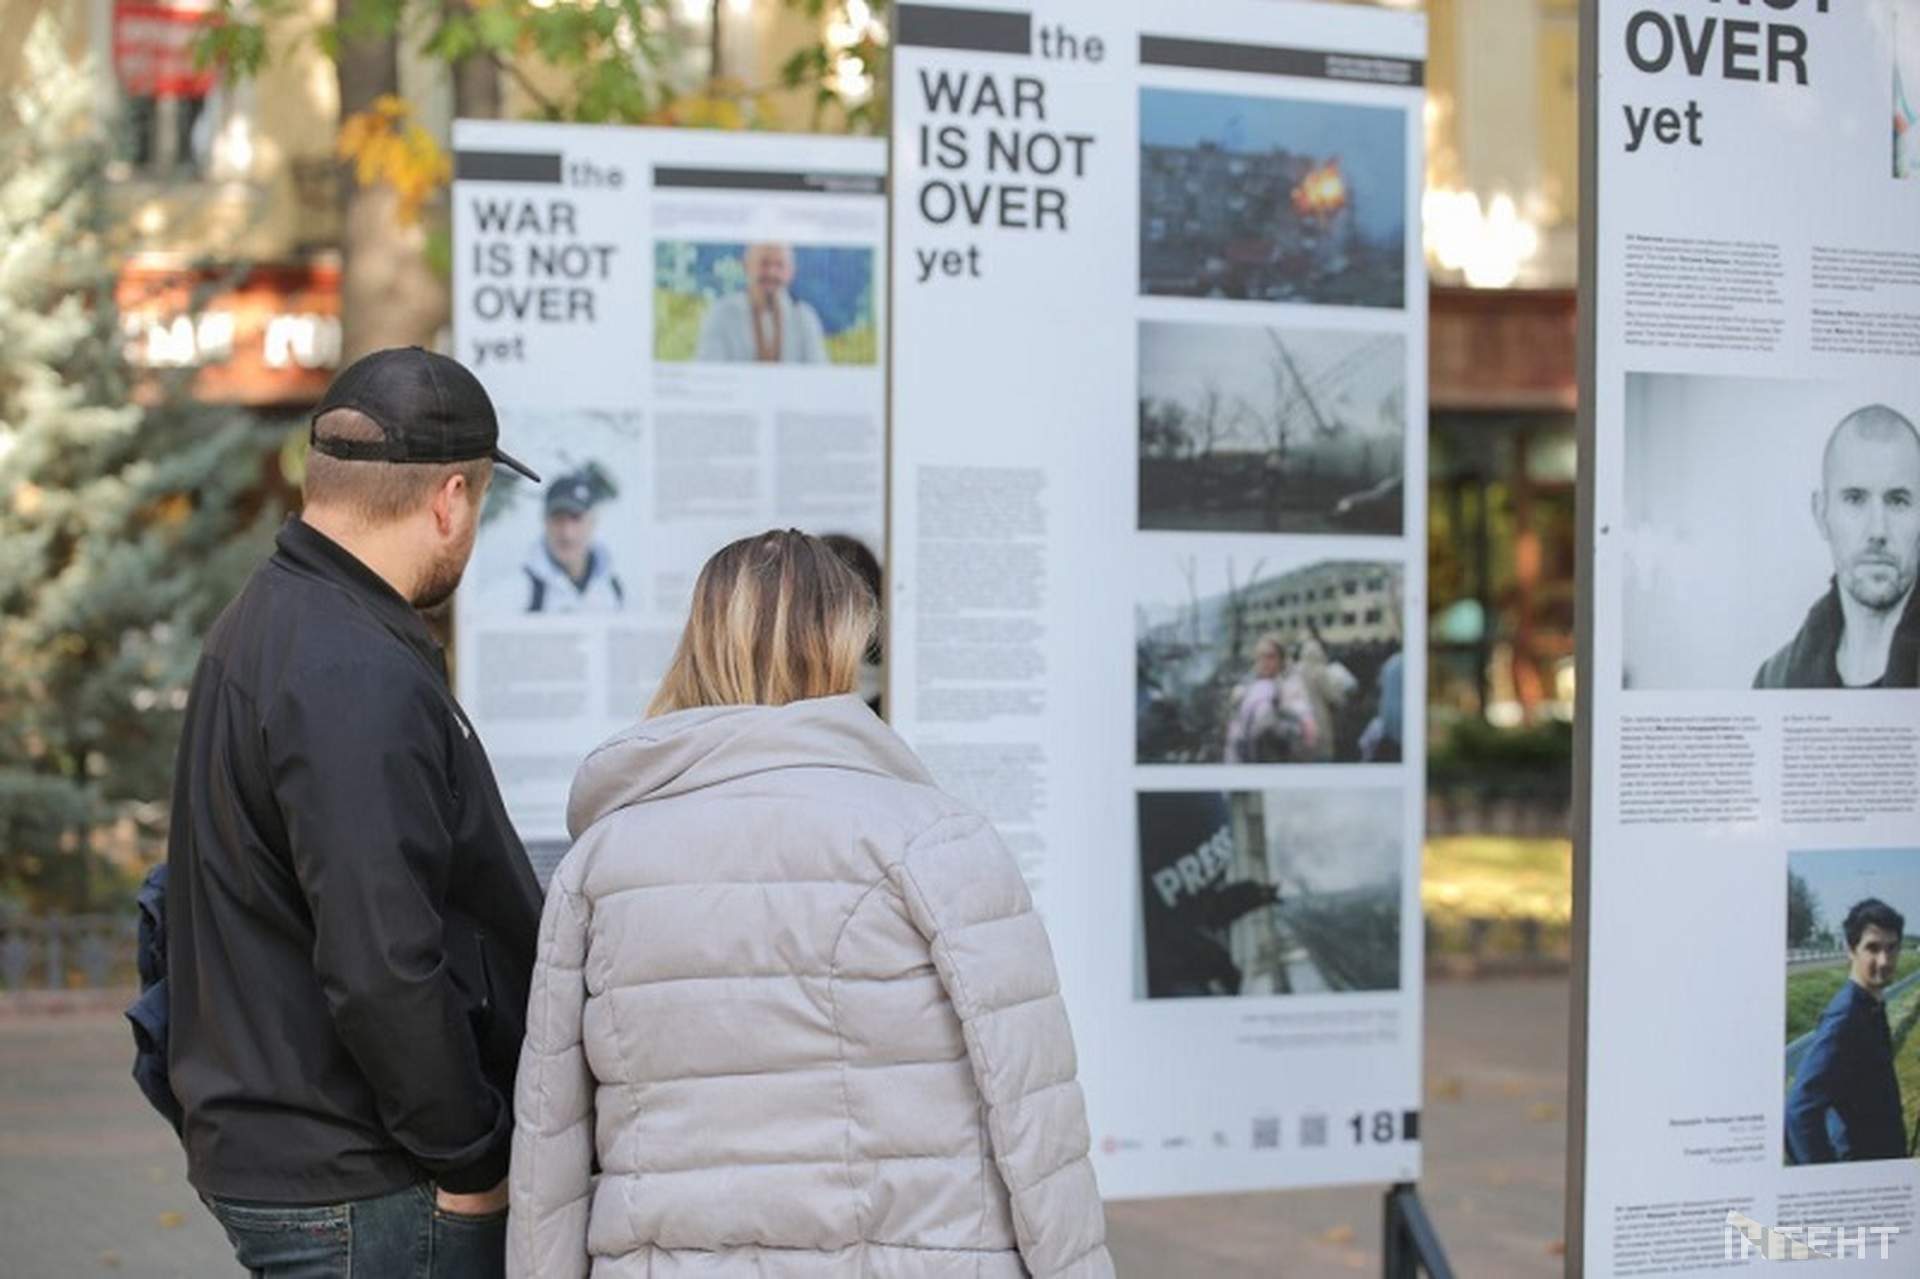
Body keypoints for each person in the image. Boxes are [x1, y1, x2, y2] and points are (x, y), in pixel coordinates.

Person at [508, 530, 1113, 1279]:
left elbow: (549, 1136)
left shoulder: (602, 864)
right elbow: (1036, 1116)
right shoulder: (939, 842)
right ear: (845, 643)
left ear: (696, 643)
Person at [165, 347, 545, 1278]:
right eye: (481, 505)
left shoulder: (277, 617)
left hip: (310, 1159)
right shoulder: (351, 668)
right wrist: (472, 1157)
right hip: (366, 1185)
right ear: (449, 498)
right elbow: (382, 962)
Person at [1755, 405, 1920, 688]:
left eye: (1898, 501)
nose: (1877, 531)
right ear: (1821, 514)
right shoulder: (1775, 681)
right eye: (1855, 499)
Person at [1785, 899, 1909, 1165]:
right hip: (1862, 1172)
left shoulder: (1871, 1005)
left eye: (1892, 948)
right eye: (1872, 948)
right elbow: (1798, 1111)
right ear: (1851, 950)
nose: (1884, 960)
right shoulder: (1846, 1017)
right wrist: (1825, 1184)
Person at [694, 242, 830, 364]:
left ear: (790, 272)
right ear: (746, 266)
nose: (771, 272)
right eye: (764, 264)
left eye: (779, 265)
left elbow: (818, 373)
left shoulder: (804, 317)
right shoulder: (721, 314)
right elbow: (708, 370)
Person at [521, 470, 624, 613]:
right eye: (558, 519)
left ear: (593, 522)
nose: (567, 533)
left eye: (576, 518)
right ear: (545, 522)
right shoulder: (515, 592)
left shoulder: (617, 592)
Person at [1223, 633, 1315, 763]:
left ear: (1281, 659)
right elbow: (1234, 735)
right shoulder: (1245, 690)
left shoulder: (1291, 688)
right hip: (1246, 768)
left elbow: (1303, 731)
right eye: (1260, 657)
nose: (1264, 662)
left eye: (1270, 657)